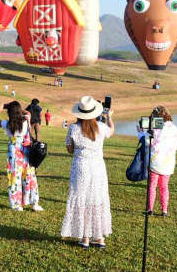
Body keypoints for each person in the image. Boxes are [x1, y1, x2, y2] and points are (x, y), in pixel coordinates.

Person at [61, 96, 114, 248]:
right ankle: (99, 237)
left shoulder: (73, 128)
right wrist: (109, 118)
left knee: (82, 201)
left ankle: (85, 237)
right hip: (98, 167)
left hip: (81, 166)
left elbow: (70, 149)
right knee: (97, 200)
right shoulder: (101, 127)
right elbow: (111, 131)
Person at [0, 101, 42, 212]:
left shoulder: (8, 123)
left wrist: (0, 109)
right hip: (26, 152)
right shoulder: (26, 120)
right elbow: (28, 112)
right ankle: (34, 202)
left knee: (14, 178)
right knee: (30, 177)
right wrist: (16, 107)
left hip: (14, 153)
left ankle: (16, 204)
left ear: (9, 113)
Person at [145, 106, 177, 216]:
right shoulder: (174, 127)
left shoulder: (155, 127)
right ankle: (164, 210)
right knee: (164, 187)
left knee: (152, 186)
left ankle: (150, 209)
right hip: (168, 162)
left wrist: (146, 133)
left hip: (155, 161)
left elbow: (148, 142)